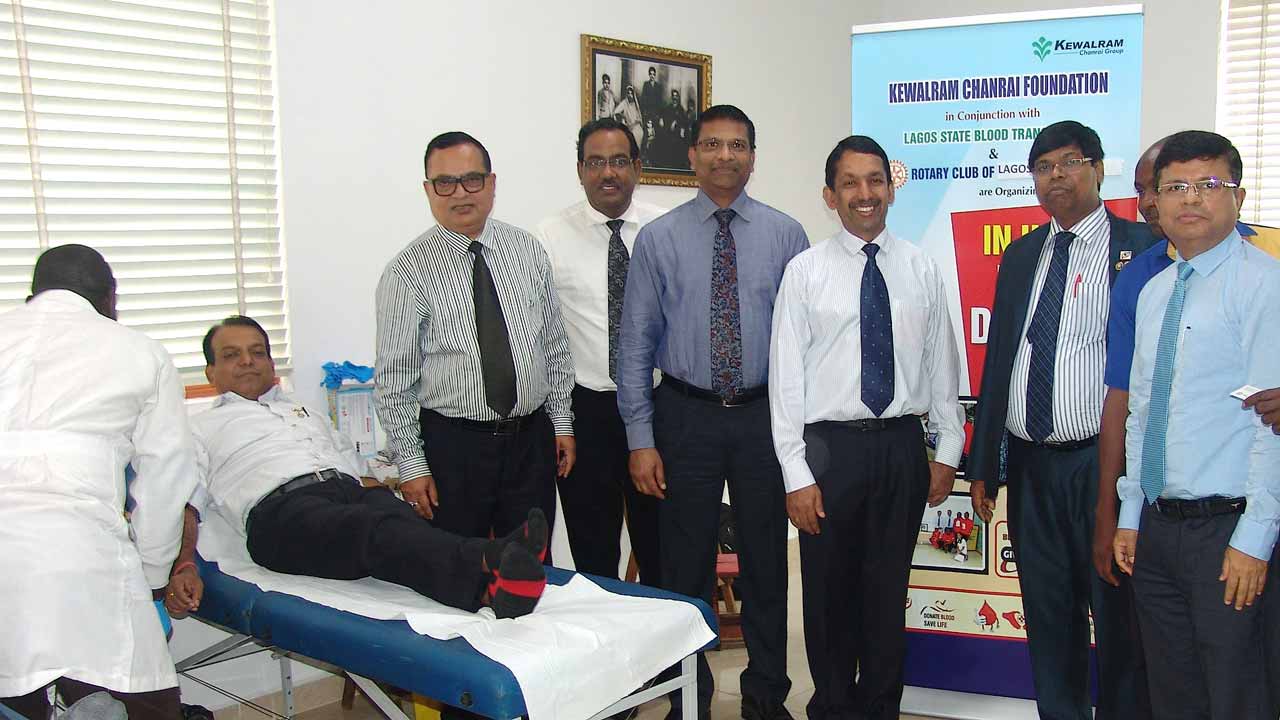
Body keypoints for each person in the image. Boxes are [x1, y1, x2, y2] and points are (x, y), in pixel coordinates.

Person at [618, 104, 807, 720]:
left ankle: (766, 698)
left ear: (753, 157)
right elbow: (635, 344)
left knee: (766, 564)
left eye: (737, 145)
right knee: (684, 566)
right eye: (712, 144)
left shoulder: (786, 236)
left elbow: (804, 344)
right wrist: (640, 438)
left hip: (762, 417)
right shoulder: (658, 239)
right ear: (692, 155)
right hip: (685, 415)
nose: (725, 156)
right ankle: (689, 698)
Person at [769, 135, 964, 720]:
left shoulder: (921, 267)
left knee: (885, 597)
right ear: (830, 195)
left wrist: (947, 448)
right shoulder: (805, 272)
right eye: (850, 182)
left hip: (900, 448)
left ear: (891, 189)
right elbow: (785, 380)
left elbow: (941, 364)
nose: (865, 193)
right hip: (828, 454)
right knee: (829, 598)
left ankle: (881, 709)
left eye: (875, 180)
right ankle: (831, 707)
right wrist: (795, 473)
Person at [967, 120, 1154, 720]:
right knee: (1048, 617)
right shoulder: (1023, 254)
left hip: (1104, 465)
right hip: (1030, 466)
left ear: (1097, 169)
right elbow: (1001, 358)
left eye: (1070, 162)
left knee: (1117, 617)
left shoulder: (1144, 247)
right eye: (1044, 167)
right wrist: (983, 461)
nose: (1057, 177)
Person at [193, 316, 549, 619]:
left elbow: (356, 468)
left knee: (400, 522)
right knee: (370, 528)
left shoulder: (304, 413)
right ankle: (492, 554)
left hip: (347, 491)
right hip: (281, 514)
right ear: (211, 372)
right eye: (232, 355)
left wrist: (392, 498)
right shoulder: (196, 429)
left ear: (272, 364)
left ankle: (492, 593)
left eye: (258, 352)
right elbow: (185, 500)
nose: (248, 361)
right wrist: (182, 565)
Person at [1112, 130, 1280, 720]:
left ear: (1238, 196)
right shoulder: (1155, 292)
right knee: (1172, 696)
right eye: (1174, 187)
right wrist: (1131, 516)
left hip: (1228, 532)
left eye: (1207, 185)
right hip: (1158, 531)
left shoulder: (1264, 284)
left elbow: (1272, 426)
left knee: (1237, 697)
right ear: (1154, 201)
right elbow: (1141, 413)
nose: (1190, 199)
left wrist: (1255, 538)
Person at [0, 245, 197, 719]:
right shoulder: (140, 351)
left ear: (33, 296)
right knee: (147, 698)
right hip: (83, 551)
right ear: (110, 299)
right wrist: (153, 577)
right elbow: (167, 475)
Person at [374, 131, 575, 558]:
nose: (460, 193)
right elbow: (394, 383)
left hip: (530, 443)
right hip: (454, 450)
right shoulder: (406, 272)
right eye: (445, 183)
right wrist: (411, 464)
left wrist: (561, 423)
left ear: (492, 183)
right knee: (456, 569)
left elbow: (554, 345)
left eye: (472, 179)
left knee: (530, 568)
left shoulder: (527, 250)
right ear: (428, 190)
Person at [534, 119, 663, 583]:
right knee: (594, 551)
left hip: (657, 405)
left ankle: (669, 632)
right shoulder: (549, 236)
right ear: (580, 170)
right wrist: (559, 422)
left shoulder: (663, 228)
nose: (608, 173)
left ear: (637, 167)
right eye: (595, 162)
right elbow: (541, 334)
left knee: (662, 546)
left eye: (619, 161)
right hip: (586, 410)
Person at [614, 86, 645, 158]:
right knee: (633, 134)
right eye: (628, 93)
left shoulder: (635, 103)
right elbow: (616, 112)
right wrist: (623, 117)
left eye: (631, 93)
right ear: (626, 94)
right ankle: (632, 155)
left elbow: (638, 116)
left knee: (640, 132)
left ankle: (637, 154)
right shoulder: (624, 103)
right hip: (628, 125)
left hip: (636, 124)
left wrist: (637, 122)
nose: (630, 95)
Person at [640, 66, 663, 135]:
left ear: (655, 75)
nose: (652, 76)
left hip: (656, 113)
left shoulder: (658, 86)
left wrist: (659, 115)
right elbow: (643, 99)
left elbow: (660, 101)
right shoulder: (646, 84)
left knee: (656, 132)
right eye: (650, 74)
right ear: (649, 75)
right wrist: (645, 111)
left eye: (653, 74)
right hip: (648, 112)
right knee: (648, 132)